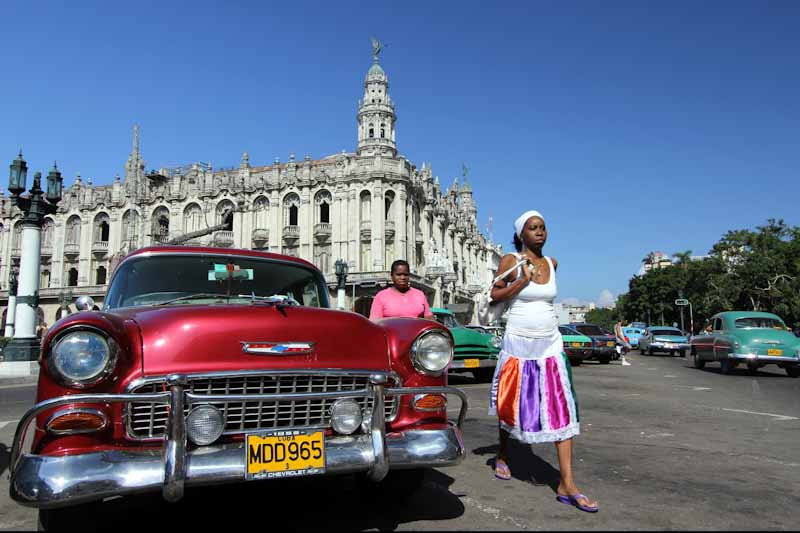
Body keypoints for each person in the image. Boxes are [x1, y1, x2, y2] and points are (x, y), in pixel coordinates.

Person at [488, 210, 597, 513]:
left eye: (543, 227)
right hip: (518, 345)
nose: (539, 232)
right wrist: (521, 282)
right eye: (532, 228)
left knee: (563, 406)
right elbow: (495, 296)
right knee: (510, 403)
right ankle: (504, 455)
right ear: (521, 234)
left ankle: (567, 482)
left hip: (550, 344)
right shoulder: (511, 261)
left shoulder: (553, 263)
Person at [369, 259, 433, 319]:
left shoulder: (420, 295)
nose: (402, 277)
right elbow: (375, 322)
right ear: (392, 276)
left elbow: (429, 318)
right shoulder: (381, 296)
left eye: (405, 274)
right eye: (398, 275)